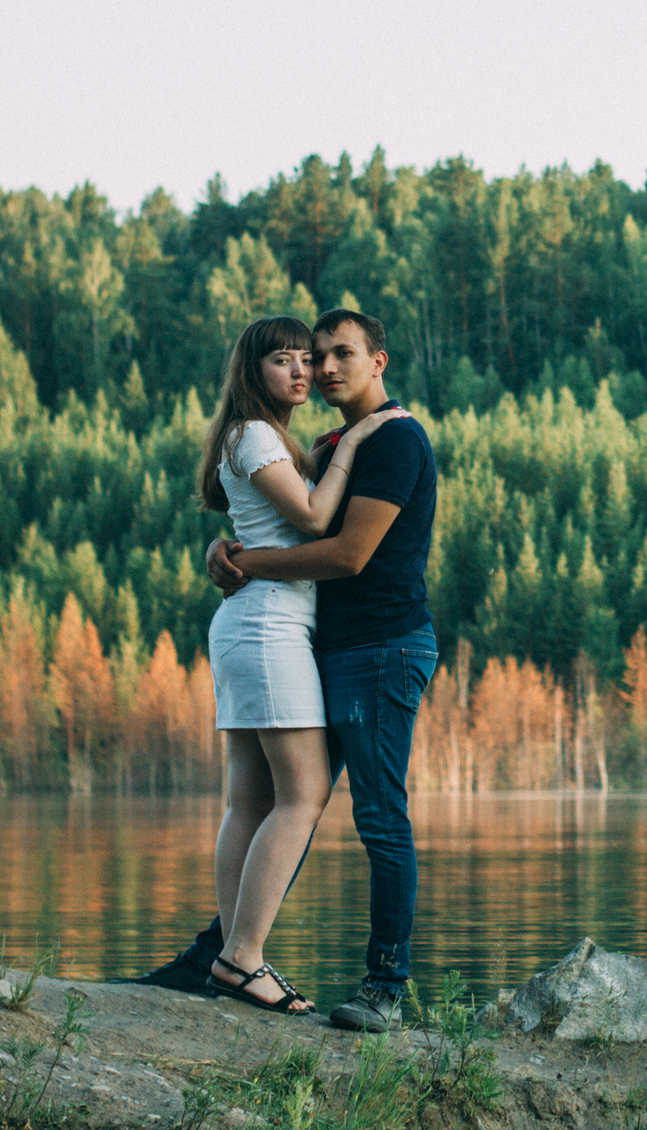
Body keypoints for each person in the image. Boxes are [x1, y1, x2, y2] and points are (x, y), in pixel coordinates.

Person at [133, 308, 440, 1035]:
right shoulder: (323, 440)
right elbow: (280, 514)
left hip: (382, 648)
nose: (322, 368)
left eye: (338, 354)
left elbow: (346, 554)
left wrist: (243, 561)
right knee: (278, 802)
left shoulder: (393, 438)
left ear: (379, 361)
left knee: (370, 814)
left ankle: (383, 984)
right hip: (314, 643)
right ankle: (227, 952)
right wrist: (224, 546)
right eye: (310, 356)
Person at [192, 313, 396, 1016]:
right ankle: (243, 958)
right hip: (270, 627)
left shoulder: (264, 438)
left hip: (256, 626)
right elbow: (313, 520)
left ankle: (230, 955)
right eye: (285, 360)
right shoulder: (252, 433)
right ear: (254, 371)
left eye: (307, 359)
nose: (303, 371)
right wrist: (354, 442)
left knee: (248, 800)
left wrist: (318, 450)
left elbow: (267, 522)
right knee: (303, 794)